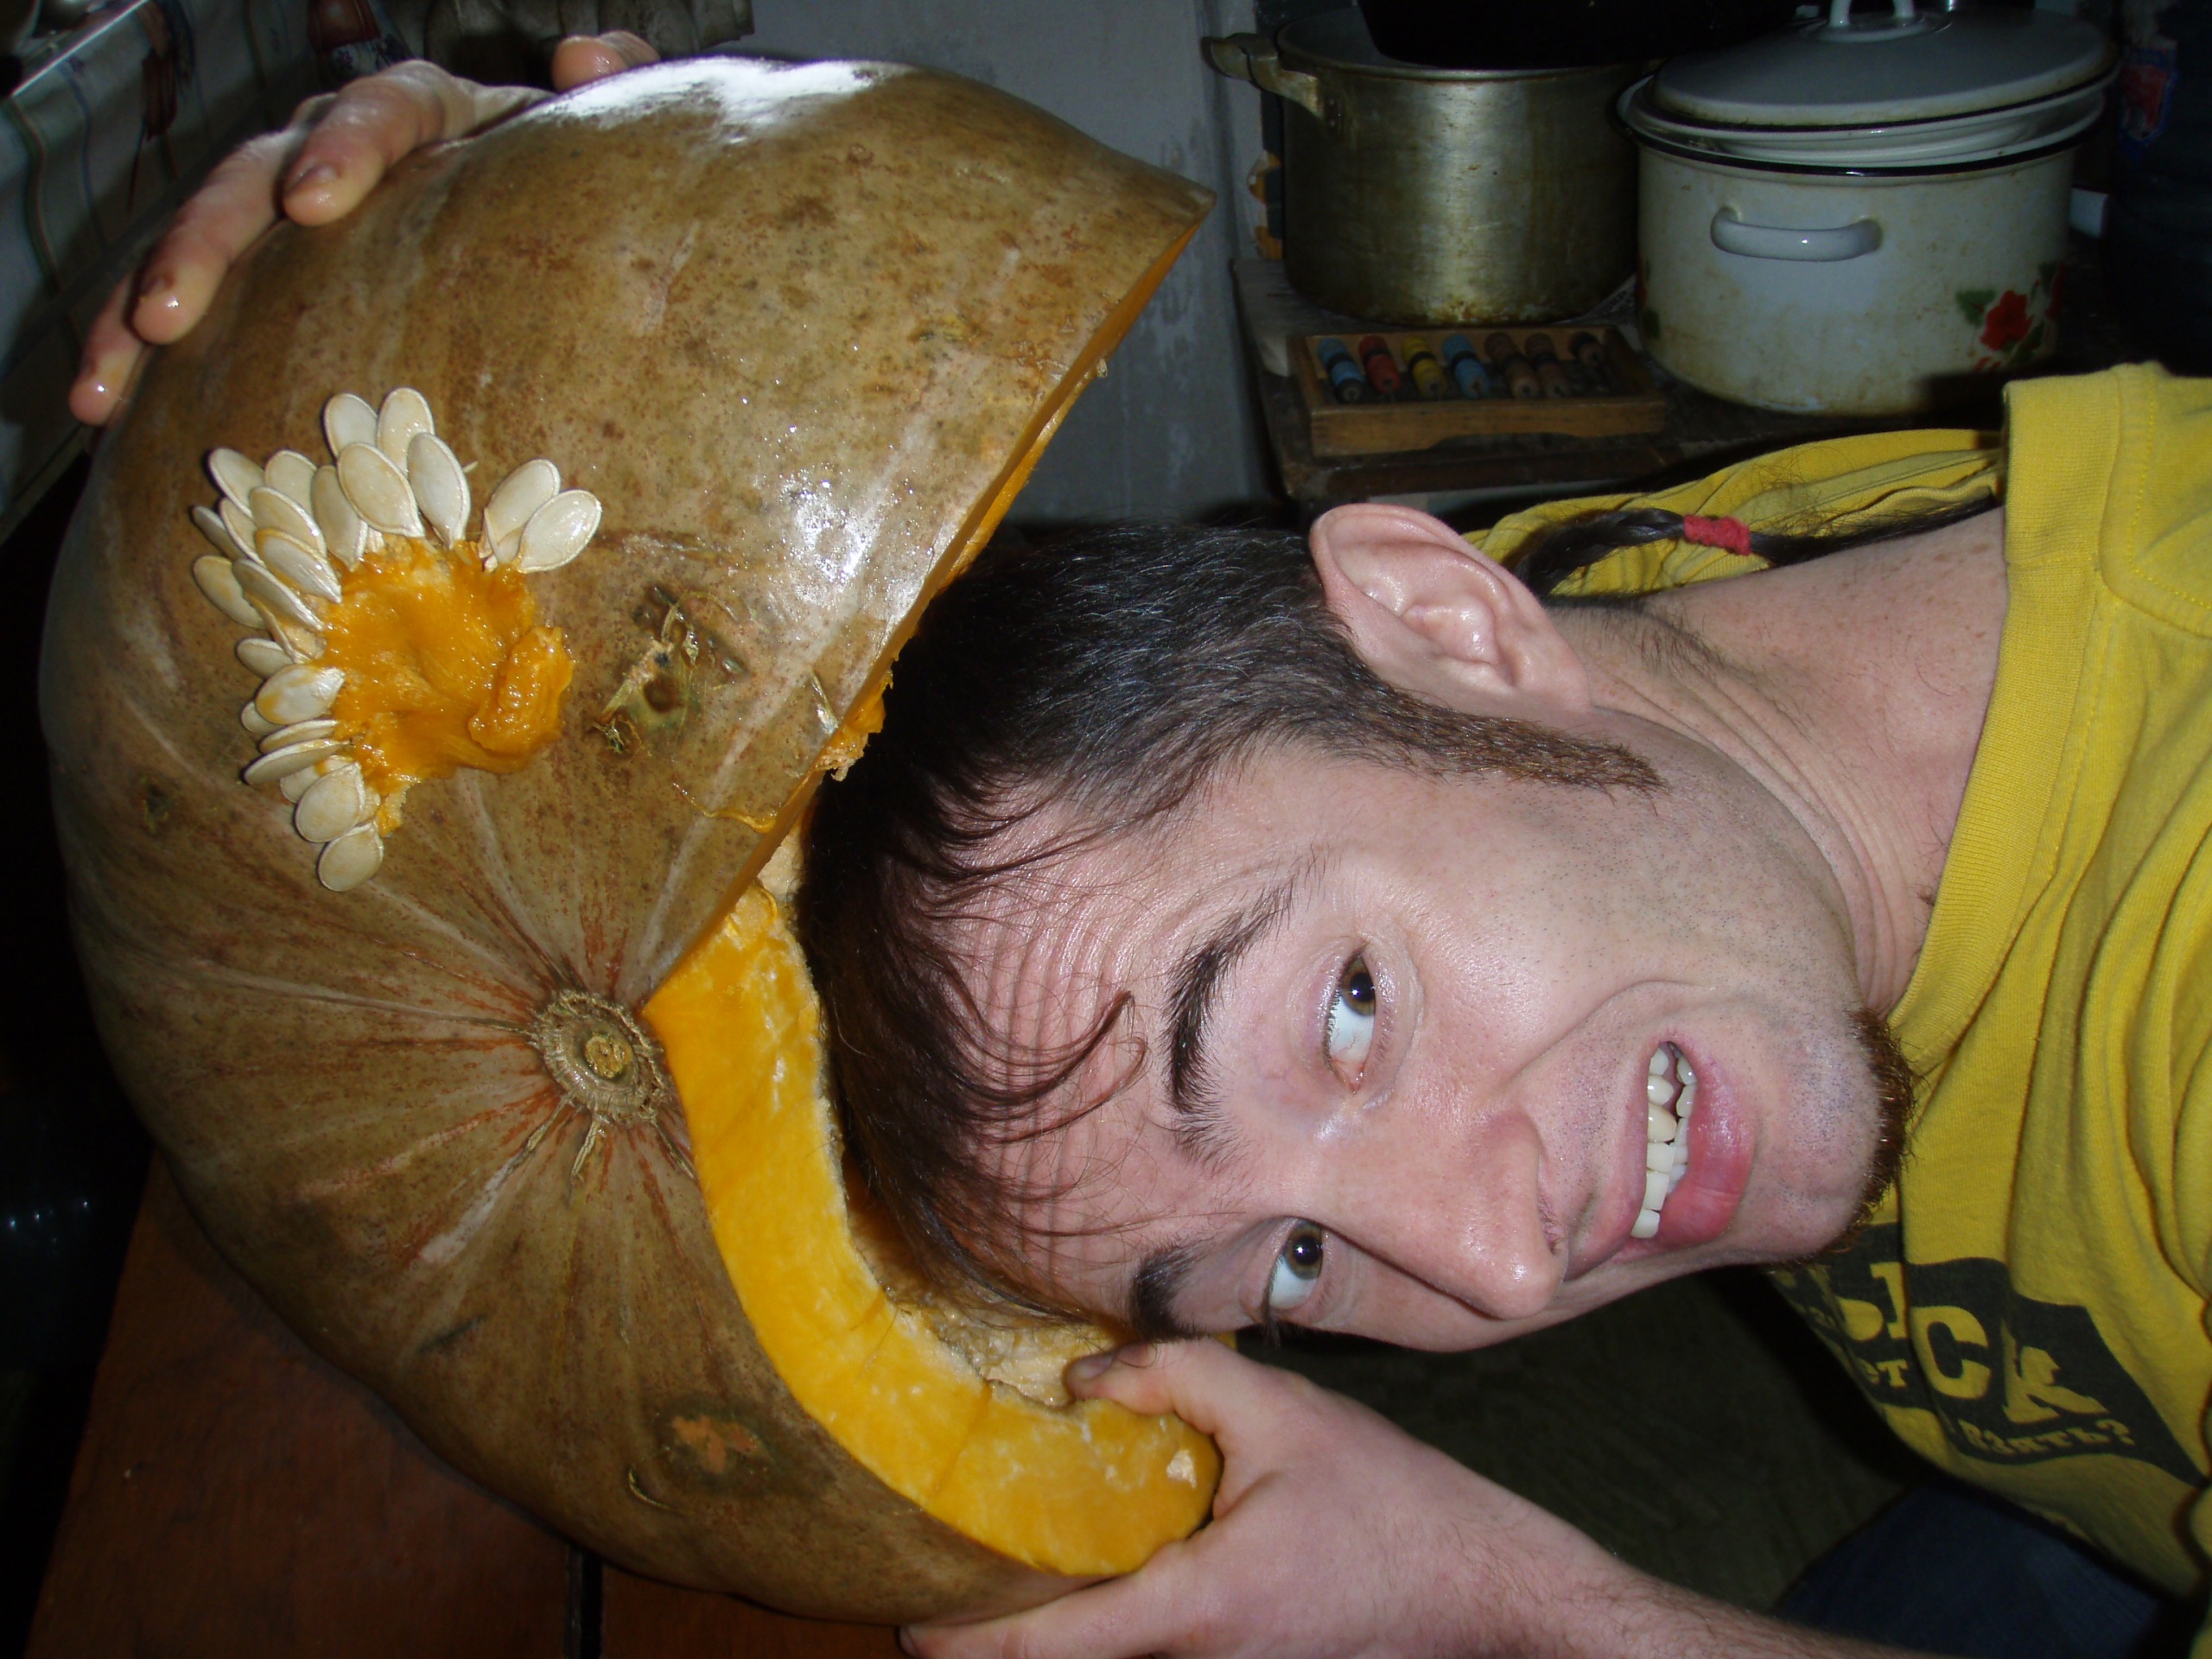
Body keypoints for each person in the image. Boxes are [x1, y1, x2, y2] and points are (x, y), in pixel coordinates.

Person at [73, 50, 2212, 1659]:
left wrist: (1526, 1606)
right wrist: (501, 267)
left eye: (1345, 1016)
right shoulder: (1614, 621)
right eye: (1290, 1271)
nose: (1495, 1275)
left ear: (1448, 621)